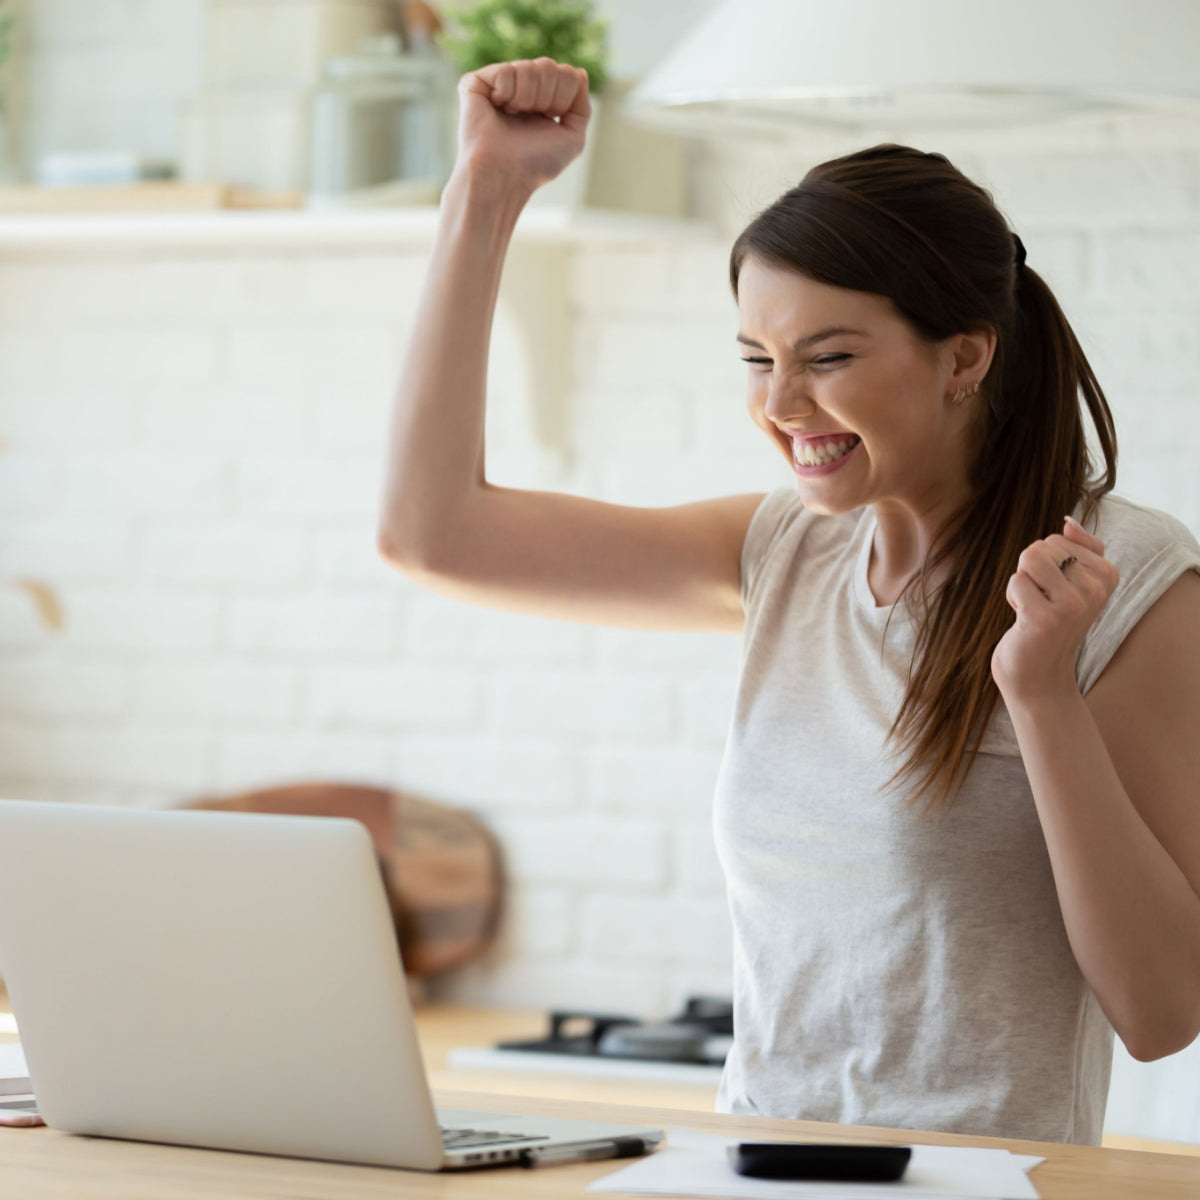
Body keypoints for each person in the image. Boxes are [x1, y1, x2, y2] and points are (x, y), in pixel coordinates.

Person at [376, 57, 1200, 1145]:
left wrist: (1039, 693)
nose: (779, 404)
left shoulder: (1123, 583)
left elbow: (1163, 1009)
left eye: (829, 356)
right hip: (752, 1170)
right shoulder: (785, 551)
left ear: (965, 357)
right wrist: (484, 193)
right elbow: (432, 535)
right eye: (757, 358)